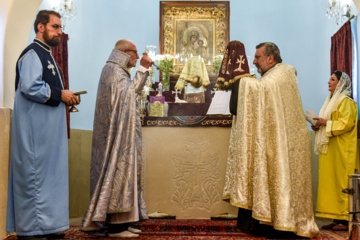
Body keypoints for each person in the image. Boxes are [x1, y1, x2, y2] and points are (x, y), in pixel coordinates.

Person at [222, 42, 320, 238]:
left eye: (258, 57)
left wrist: (241, 80)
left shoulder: (282, 73)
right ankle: (261, 222)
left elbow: (263, 89)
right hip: (273, 141)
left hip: (283, 146)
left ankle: (279, 222)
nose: (254, 61)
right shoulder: (272, 75)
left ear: (270, 58)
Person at [6, 10, 79, 240]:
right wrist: (61, 94)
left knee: (49, 181)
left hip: (48, 135)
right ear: (40, 27)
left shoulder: (47, 55)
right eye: (55, 27)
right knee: (35, 179)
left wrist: (65, 95)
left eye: (60, 28)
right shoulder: (32, 54)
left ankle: (48, 226)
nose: (59, 31)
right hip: (34, 133)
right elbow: (30, 86)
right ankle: (33, 229)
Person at [80, 39, 152, 238]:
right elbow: (129, 94)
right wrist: (143, 70)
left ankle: (125, 221)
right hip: (116, 137)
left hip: (121, 133)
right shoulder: (112, 70)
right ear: (125, 52)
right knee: (119, 170)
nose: (137, 58)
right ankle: (115, 227)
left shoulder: (117, 71)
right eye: (135, 53)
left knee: (127, 173)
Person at [312, 71, 359, 231]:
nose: (328, 82)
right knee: (331, 184)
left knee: (342, 183)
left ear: (340, 84)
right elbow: (330, 121)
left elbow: (347, 123)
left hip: (342, 150)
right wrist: (319, 125)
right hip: (331, 149)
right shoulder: (331, 101)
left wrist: (326, 123)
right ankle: (335, 218)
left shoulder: (346, 101)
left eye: (332, 79)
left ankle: (346, 221)